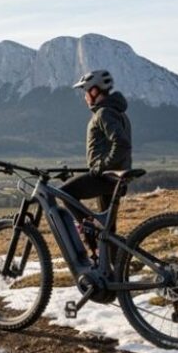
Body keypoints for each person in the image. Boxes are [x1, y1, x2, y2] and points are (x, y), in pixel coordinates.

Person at [61, 70, 132, 258]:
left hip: (106, 177)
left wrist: (102, 166)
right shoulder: (115, 112)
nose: (84, 97)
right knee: (108, 231)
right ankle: (113, 269)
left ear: (94, 91)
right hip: (113, 178)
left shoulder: (104, 113)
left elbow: (122, 143)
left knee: (65, 193)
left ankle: (88, 233)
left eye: (85, 91)